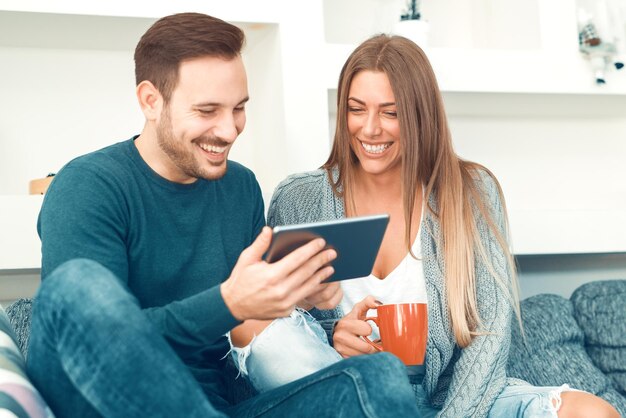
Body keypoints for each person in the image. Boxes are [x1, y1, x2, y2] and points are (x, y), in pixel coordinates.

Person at [27, 14, 422, 418]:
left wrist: (291, 300)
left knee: (380, 377)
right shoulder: (88, 185)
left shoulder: (240, 188)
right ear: (150, 100)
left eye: (238, 109)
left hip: (215, 406)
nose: (230, 130)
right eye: (207, 110)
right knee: (77, 286)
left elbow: (249, 339)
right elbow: (95, 343)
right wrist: (229, 301)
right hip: (107, 405)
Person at [230, 34, 621, 418]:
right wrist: (335, 338)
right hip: (348, 394)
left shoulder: (470, 192)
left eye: (391, 112)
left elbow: (490, 335)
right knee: (252, 321)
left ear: (420, 114)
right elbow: (288, 319)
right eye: (356, 109)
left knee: (592, 412)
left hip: (448, 401)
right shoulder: (300, 199)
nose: (369, 129)